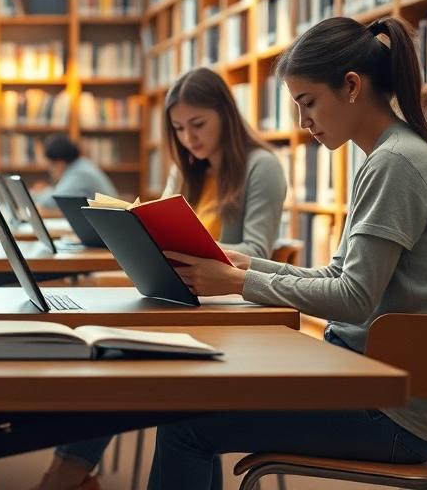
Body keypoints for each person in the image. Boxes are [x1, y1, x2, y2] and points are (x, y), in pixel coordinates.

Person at [134, 16, 427, 490]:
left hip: (389, 413)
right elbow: (342, 274)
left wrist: (240, 284)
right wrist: (251, 265)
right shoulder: (392, 154)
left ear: (352, 86)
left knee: (185, 426)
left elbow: (353, 298)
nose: (302, 122)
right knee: (195, 401)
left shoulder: (395, 163)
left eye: (308, 102)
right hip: (369, 383)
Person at [36, 67, 288, 488]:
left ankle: (67, 475)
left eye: (198, 124)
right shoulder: (187, 168)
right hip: (182, 301)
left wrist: (200, 254)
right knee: (110, 352)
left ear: (226, 114)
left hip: (232, 310)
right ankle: (69, 474)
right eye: (178, 128)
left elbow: (258, 253)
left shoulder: (262, 167)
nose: (189, 137)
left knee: (123, 364)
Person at [29, 135, 118, 211]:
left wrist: (32, 194)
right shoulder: (80, 165)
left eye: (51, 165)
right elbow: (59, 192)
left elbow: (54, 200)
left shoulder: (80, 173)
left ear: (59, 163)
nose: (50, 170)